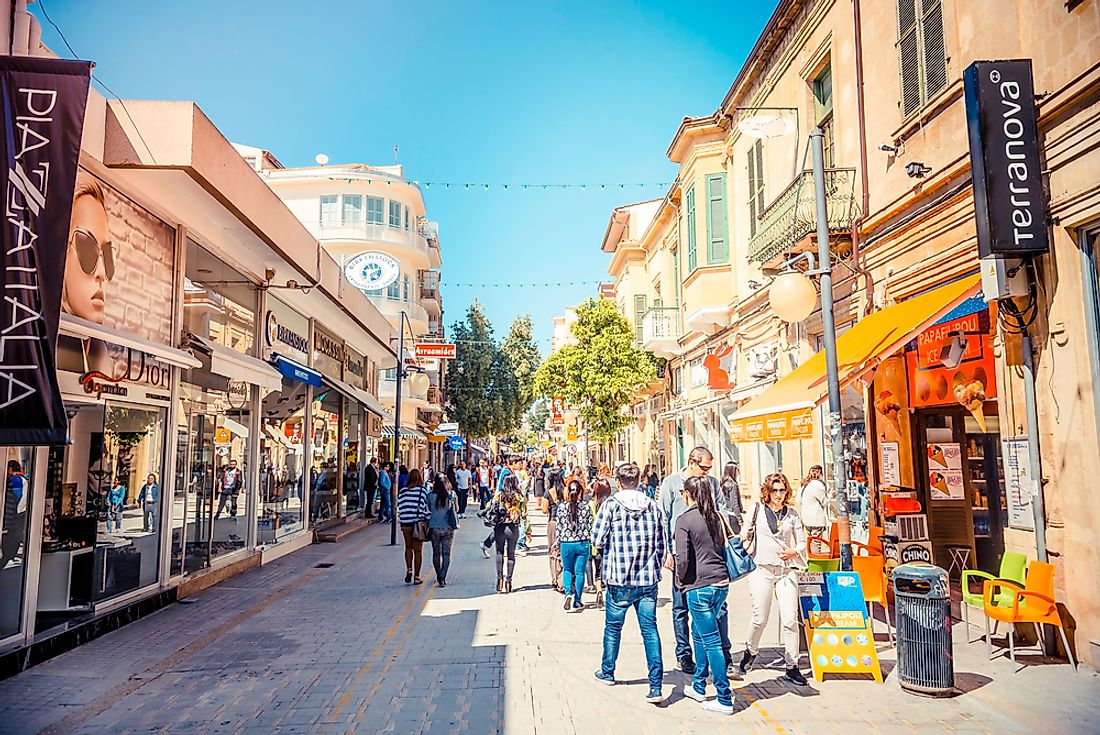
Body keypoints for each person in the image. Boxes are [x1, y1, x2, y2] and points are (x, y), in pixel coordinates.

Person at [591, 462, 666, 704]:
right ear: (640, 480)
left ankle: (608, 671)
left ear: (618, 480)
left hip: (619, 578)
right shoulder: (653, 506)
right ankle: (655, 685)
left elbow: (597, 539)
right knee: (650, 630)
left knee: (613, 628)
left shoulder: (611, 506)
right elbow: (661, 544)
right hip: (647, 581)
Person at [660, 446, 732, 678]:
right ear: (691, 462)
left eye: (710, 468)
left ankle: (722, 654)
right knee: (681, 607)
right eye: (704, 468)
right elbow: (663, 518)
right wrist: (667, 552)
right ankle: (684, 654)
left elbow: (722, 512)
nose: (707, 473)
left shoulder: (711, 484)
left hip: (709, 555)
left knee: (718, 607)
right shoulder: (671, 484)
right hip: (682, 554)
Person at [736, 473, 809, 687]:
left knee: (790, 619)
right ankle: (750, 651)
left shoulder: (792, 514)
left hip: (786, 571)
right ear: (767, 491)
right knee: (760, 617)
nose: (779, 494)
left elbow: (802, 542)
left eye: (782, 490)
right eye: (775, 490)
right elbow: (743, 534)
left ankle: (792, 666)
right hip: (761, 569)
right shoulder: (757, 509)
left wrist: (794, 551)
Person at [675, 476, 735, 715]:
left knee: (711, 642)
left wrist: (681, 581)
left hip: (699, 586)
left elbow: (683, 558)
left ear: (687, 494)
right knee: (699, 635)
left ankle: (724, 696)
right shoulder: (717, 517)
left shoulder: (684, 520)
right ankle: (699, 685)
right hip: (721, 582)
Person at [60, 175, 113, 376]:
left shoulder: (100, 352)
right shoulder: (36, 348)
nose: (101, 273)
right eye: (86, 249)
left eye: (107, 255)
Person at [555, 479, 593, 612]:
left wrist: (557, 541)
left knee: (567, 570)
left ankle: (567, 594)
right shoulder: (586, 507)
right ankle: (577, 600)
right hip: (582, 542)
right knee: (579, 572)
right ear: (581, 492)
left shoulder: (561, 507)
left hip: (566, 543)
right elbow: (590, 526)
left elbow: (558, 527)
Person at [488, 474, 525, 593]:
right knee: (511, 554)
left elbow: (490, 506)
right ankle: (509, 580)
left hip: (500, 528)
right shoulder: (519, 496)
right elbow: (525, 514)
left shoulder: (499, 495)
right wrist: (528, 531)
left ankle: (499, 580)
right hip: (513, 528)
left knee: (499, 552)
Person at [397, 468, 430, 585]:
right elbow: (426, 508)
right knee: (418, 551)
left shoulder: (402, 491)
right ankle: (417, 577)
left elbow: (399, 506)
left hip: (405, 523)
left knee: (408, 547)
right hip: (417, 524)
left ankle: (409, 569)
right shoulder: (422, 491)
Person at [428, 474, 458, 587]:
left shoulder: (430, 496)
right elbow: (457, 509)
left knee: (436, 553)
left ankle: (438, 575)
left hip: (434, 527)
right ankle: (443, 577)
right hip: (448, 528)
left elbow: (427, 510)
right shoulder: (451, 495)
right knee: (446, 554)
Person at [589, 477, 613, 610]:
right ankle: (608, 593)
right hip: (610, 545)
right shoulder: (611, 504)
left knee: (597, 570)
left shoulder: (591, 505)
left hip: (595, 544)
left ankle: (598, 591)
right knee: (609, 571)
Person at [798, 465, 830, 554]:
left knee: (810, 540)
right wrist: (831, 495)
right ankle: (815, 559)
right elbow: (824, 502)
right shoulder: (817, 485)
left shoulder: (804, 484)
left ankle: (810, 558)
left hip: (806, 517)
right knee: (816, 541)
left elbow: (798, 501)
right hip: (816, 518)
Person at [2, 461, 29, 567]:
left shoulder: (15, 480)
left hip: (15, 513)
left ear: (10, 469)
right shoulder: (24, 479)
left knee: (10, 536)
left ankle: (9, 556)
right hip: (22, 512)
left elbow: (14, 498)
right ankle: (10, 556)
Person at [719, 461, 745, 534]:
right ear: (732, 471)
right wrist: (740, 520)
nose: (739, 473)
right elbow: (735, 504)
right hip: (733, 516)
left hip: (725, 514)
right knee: (736, 540)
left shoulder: (723, 483)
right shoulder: (732, 485)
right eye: (737, 470)